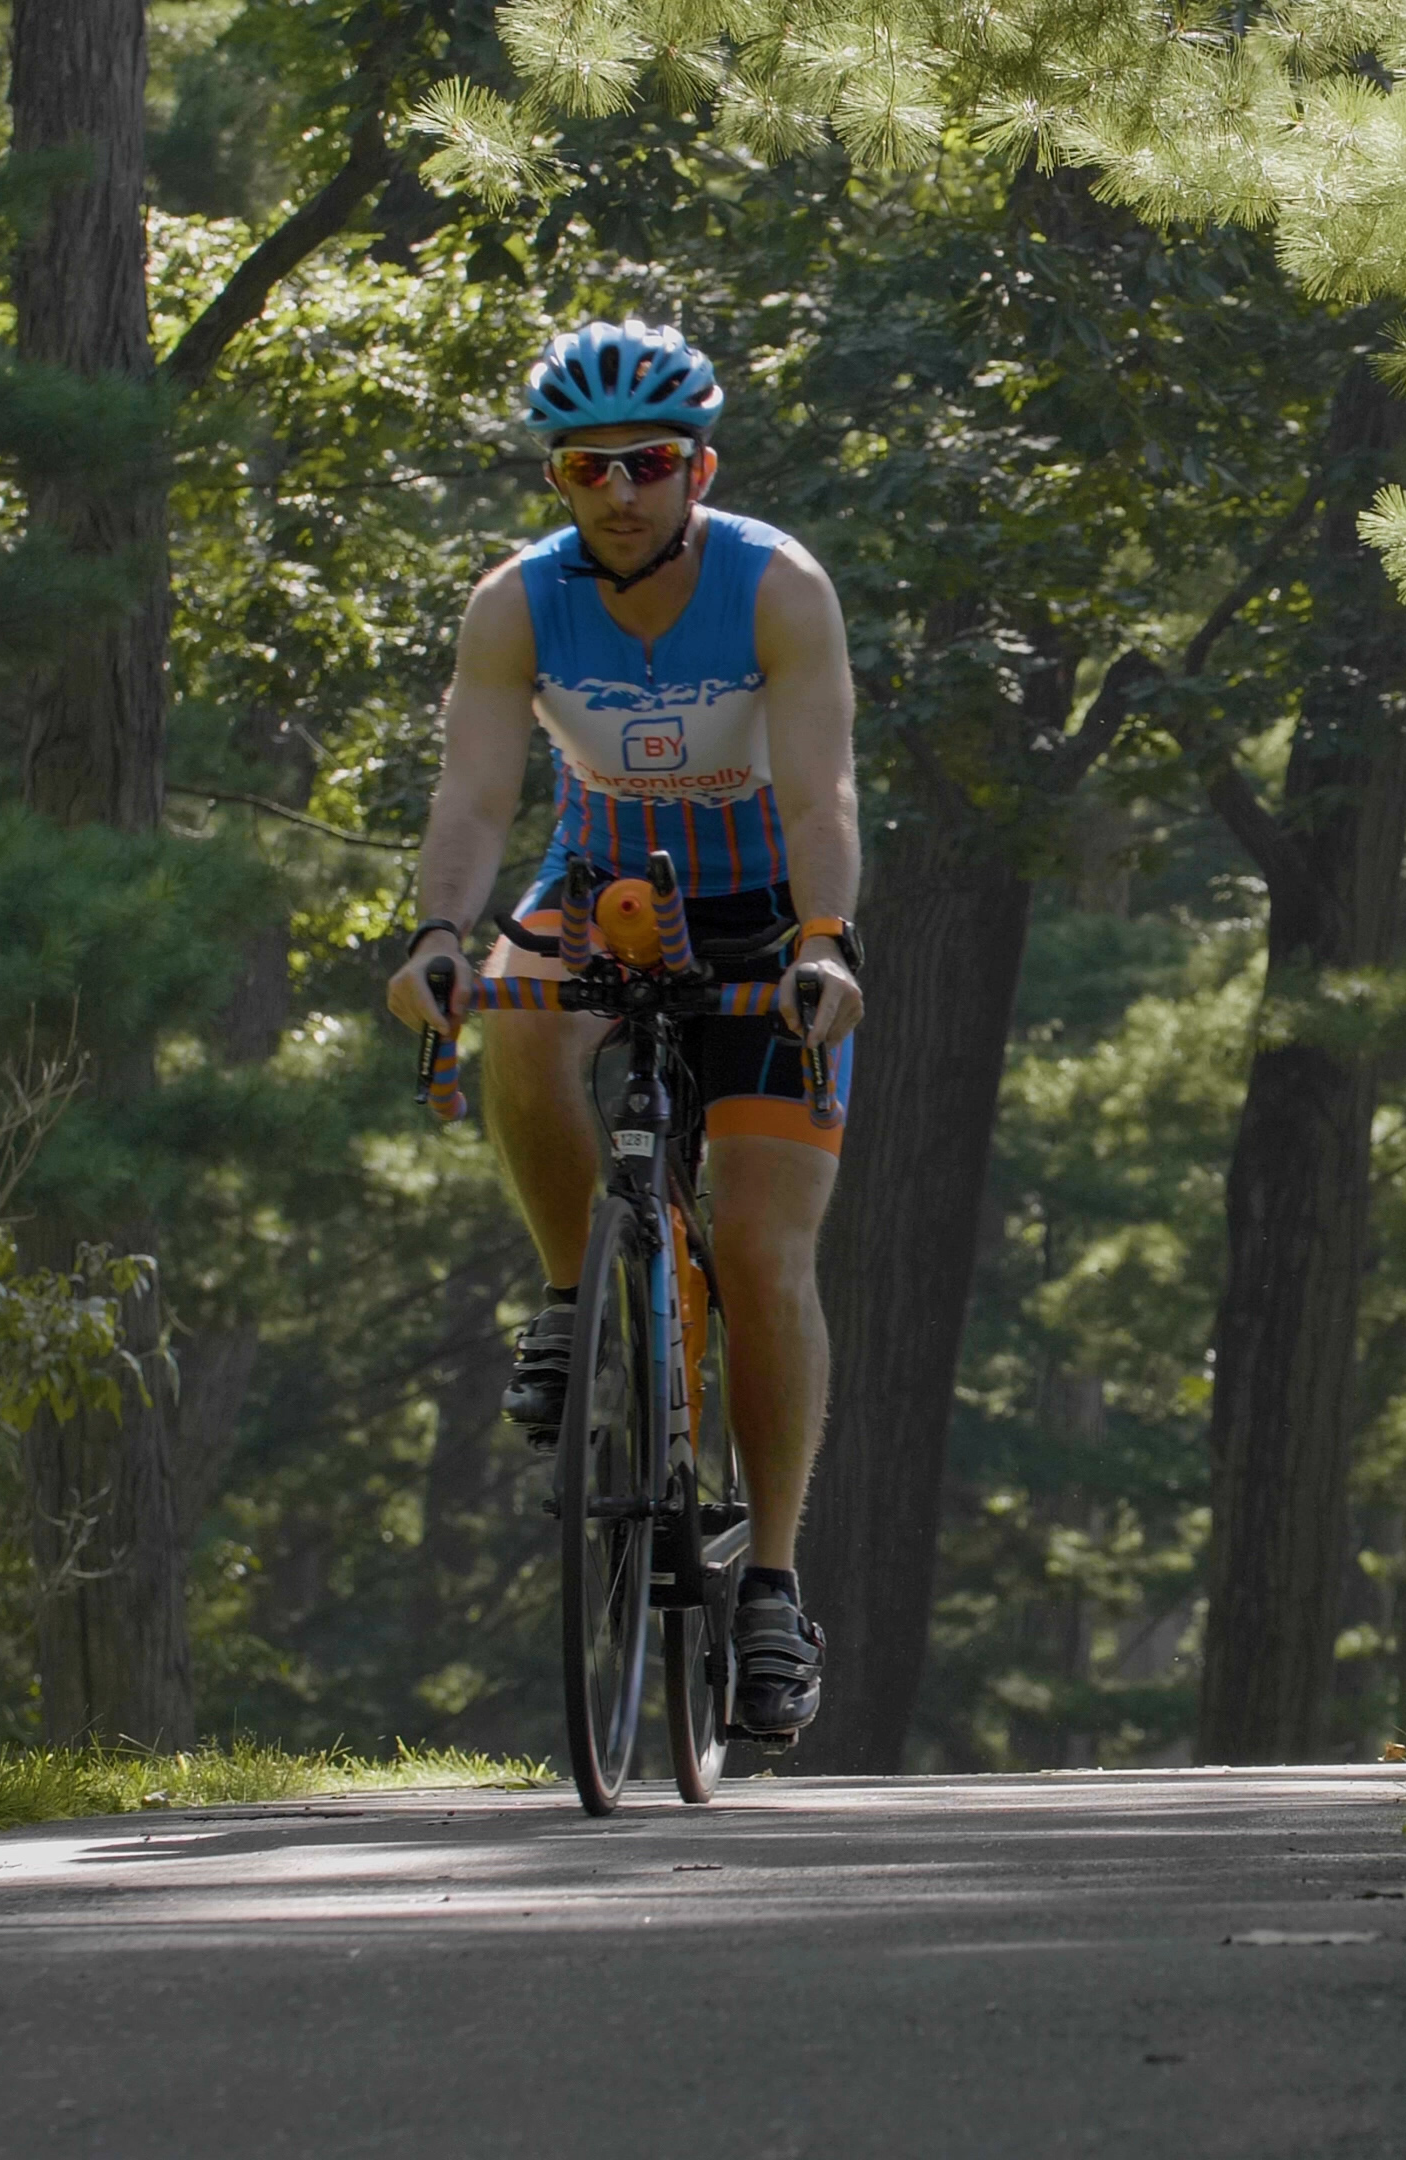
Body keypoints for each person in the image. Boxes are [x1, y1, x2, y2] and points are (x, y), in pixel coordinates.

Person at [383, 320, 860, 1742]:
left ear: (700, 465)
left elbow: (822, 796)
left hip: (771, 917)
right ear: (559, 479)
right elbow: (473, 803)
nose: (620, 491)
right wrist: (436, 939)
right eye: (586, 468)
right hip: (605, 894)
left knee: (766, 1252)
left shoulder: (777, 589)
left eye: (649, 463)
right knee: (517, 1025)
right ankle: (571, 1293)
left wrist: (829, 949)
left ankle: (768, 1582)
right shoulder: (516, 605)